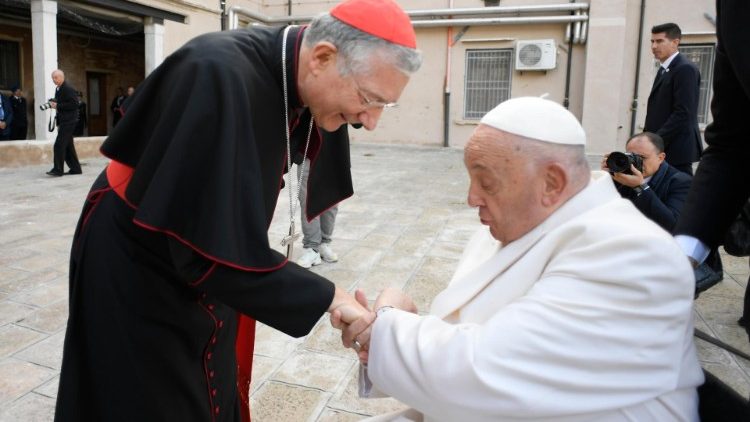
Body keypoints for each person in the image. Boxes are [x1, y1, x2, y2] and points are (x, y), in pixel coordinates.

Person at [53, 0, 421, 421]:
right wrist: (329, 296)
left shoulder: (303, 82)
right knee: (149, 390)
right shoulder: (216, 73)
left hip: (213, 242)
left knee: (209, 376)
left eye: (384, 106)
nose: (369, 121)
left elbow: (220, 234)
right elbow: (202, 250)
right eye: (369, 99)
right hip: (138, 253)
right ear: (323, 57)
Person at [335, 97, 703, 421]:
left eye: (487, 183)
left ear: (551, 183)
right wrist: (393, 330)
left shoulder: (635, 257)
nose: (471, 199)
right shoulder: (519, 224)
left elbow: (484, 374)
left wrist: (384, 325)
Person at [644, 23, 703, 175]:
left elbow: (683, 113)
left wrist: (655, 141)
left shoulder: (685, 69)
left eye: (660, 41)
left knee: (679, 193)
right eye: (652, 41)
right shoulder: (664, 69)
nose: (654, 46)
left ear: (675, 42)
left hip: (676, 149)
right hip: (663, 148)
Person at [603, 132, 691, 232]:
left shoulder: (681, 182)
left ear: (660, 158)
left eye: (642, 158)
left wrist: (640, 187)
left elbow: (672, 224)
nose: (635, 162)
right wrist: (607, 178)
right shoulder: (622, 175)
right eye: (631, 156)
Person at [295, 127, 348, 268]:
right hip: (309, 147)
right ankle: (311, 247)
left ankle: (324, 243)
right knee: (307, 199)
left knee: (332, 199)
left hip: (334, 147)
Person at [46, 70, 82, 177]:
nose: (54, 80)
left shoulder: (68, 89)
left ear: (62, 77)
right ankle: (76, 169)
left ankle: (58, 170)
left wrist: (57, 106)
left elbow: (74, 104)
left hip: (69, 121)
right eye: (53, 78)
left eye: (56, 77)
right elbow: (64, 102)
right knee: (68, 146)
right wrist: (55, 102)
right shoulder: (59, 89)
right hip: (65, 120)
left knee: (59, 145)